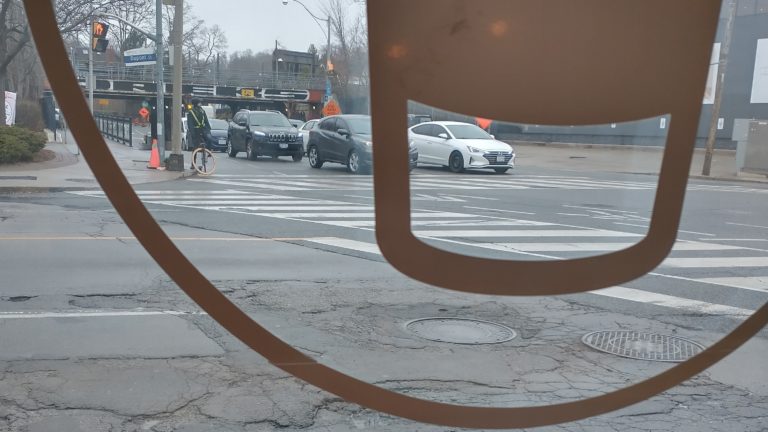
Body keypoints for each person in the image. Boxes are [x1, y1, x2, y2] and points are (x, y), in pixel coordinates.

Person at [186, 98, 211, 168]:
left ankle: (208, 152)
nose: (201, 104)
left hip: (203, 130)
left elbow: (206, 121)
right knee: (195, 148)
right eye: (199, 102)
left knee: (209, 139)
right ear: (196, 103)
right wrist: (192, 133)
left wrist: (208, 129)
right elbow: (190, 124)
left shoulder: (202, 111)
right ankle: (193, 163)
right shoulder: (191, 112)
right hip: (196, 130)